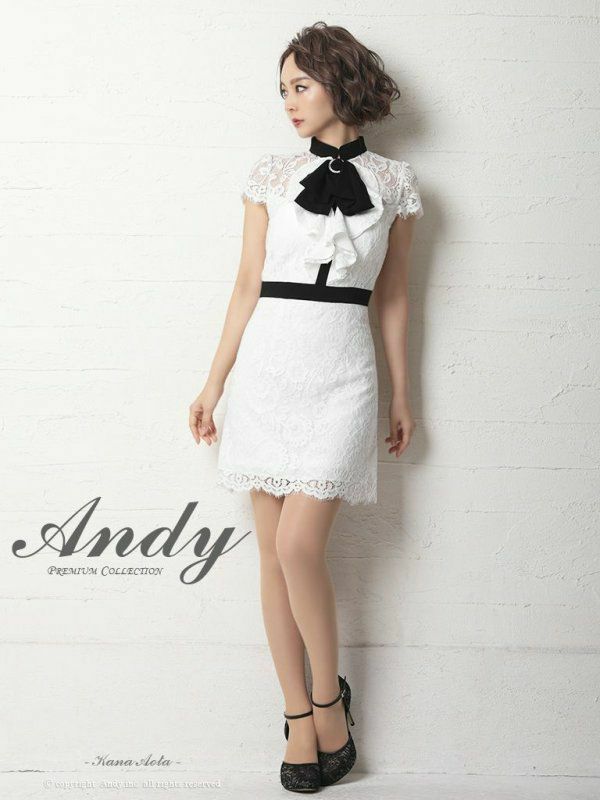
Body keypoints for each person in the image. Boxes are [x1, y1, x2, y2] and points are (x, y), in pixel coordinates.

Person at [189, 21, 423, 793]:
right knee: (271, 554)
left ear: (339, 84)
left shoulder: (395, 184)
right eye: (283, 89)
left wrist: (403, 393)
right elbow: (244, 286)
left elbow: (395, 297)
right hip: (267, 371)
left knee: (298, 549)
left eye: (301, 86)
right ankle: (299, 715)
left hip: (342, 375)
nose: (288, 102)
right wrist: (214, 383)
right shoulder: (270, 176)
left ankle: (329, 701)